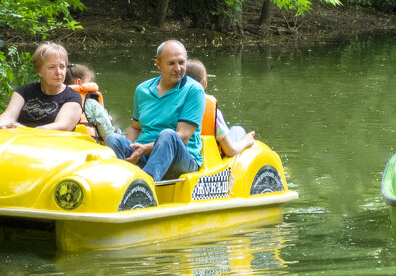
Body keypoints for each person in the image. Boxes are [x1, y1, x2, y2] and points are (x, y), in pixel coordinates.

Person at [104, 39, 205, 181]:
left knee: (168, 135)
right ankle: (119, 184)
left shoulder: (194, 90)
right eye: (171, 63)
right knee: (113, 140)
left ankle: (145, 187)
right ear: (158, 64)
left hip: (181, 159)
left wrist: (144, 148)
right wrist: (133, 149)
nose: (178, 68)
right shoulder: (142, 89)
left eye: (181, 63)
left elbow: (182, 136)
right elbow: (135, 128)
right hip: (145, 154)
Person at [0, 42, 82, 130]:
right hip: (22, 140)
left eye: (62, 67)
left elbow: (62, 126)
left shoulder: (73, 97)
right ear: (39, 71)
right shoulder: (23, 92)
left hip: (54, 142)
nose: (59, 72)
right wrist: (2, 125)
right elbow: (8, 115)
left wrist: (26, 131)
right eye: (52, 67)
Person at [185, 59, 256, 156]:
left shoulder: (173, 106)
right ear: (204, 83)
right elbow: (230, 151)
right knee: (238, 130)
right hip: (212, 158)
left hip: (188, 154)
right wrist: (246, 141)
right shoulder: (213, 113)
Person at [66, 63, 120, 140]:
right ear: (78, 82)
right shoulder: (92, 104)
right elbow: (107, 134)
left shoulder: (58, 100)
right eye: (89, 81)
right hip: (90, 147)